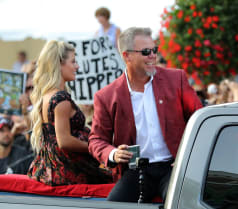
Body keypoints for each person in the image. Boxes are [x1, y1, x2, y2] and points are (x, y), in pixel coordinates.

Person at [88, 27, 202, 202]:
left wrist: (188, 155)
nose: (153, 56)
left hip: (174, 166)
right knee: (112, 206)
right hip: (135, 171)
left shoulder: (176, 79)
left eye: (154, 50)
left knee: (183, 202)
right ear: (127, 56)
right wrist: (113, 153)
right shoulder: (106, 96)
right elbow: (96, 140)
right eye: (146, 52)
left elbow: (199, 118)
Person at [27, 40, 112, 186]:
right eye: (73, 62)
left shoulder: (48, 95)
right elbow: (64, 141)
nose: (77, 66)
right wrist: (96, 147)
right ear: (59, 64)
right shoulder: (61, 99)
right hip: (67, 169)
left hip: (53, 166)